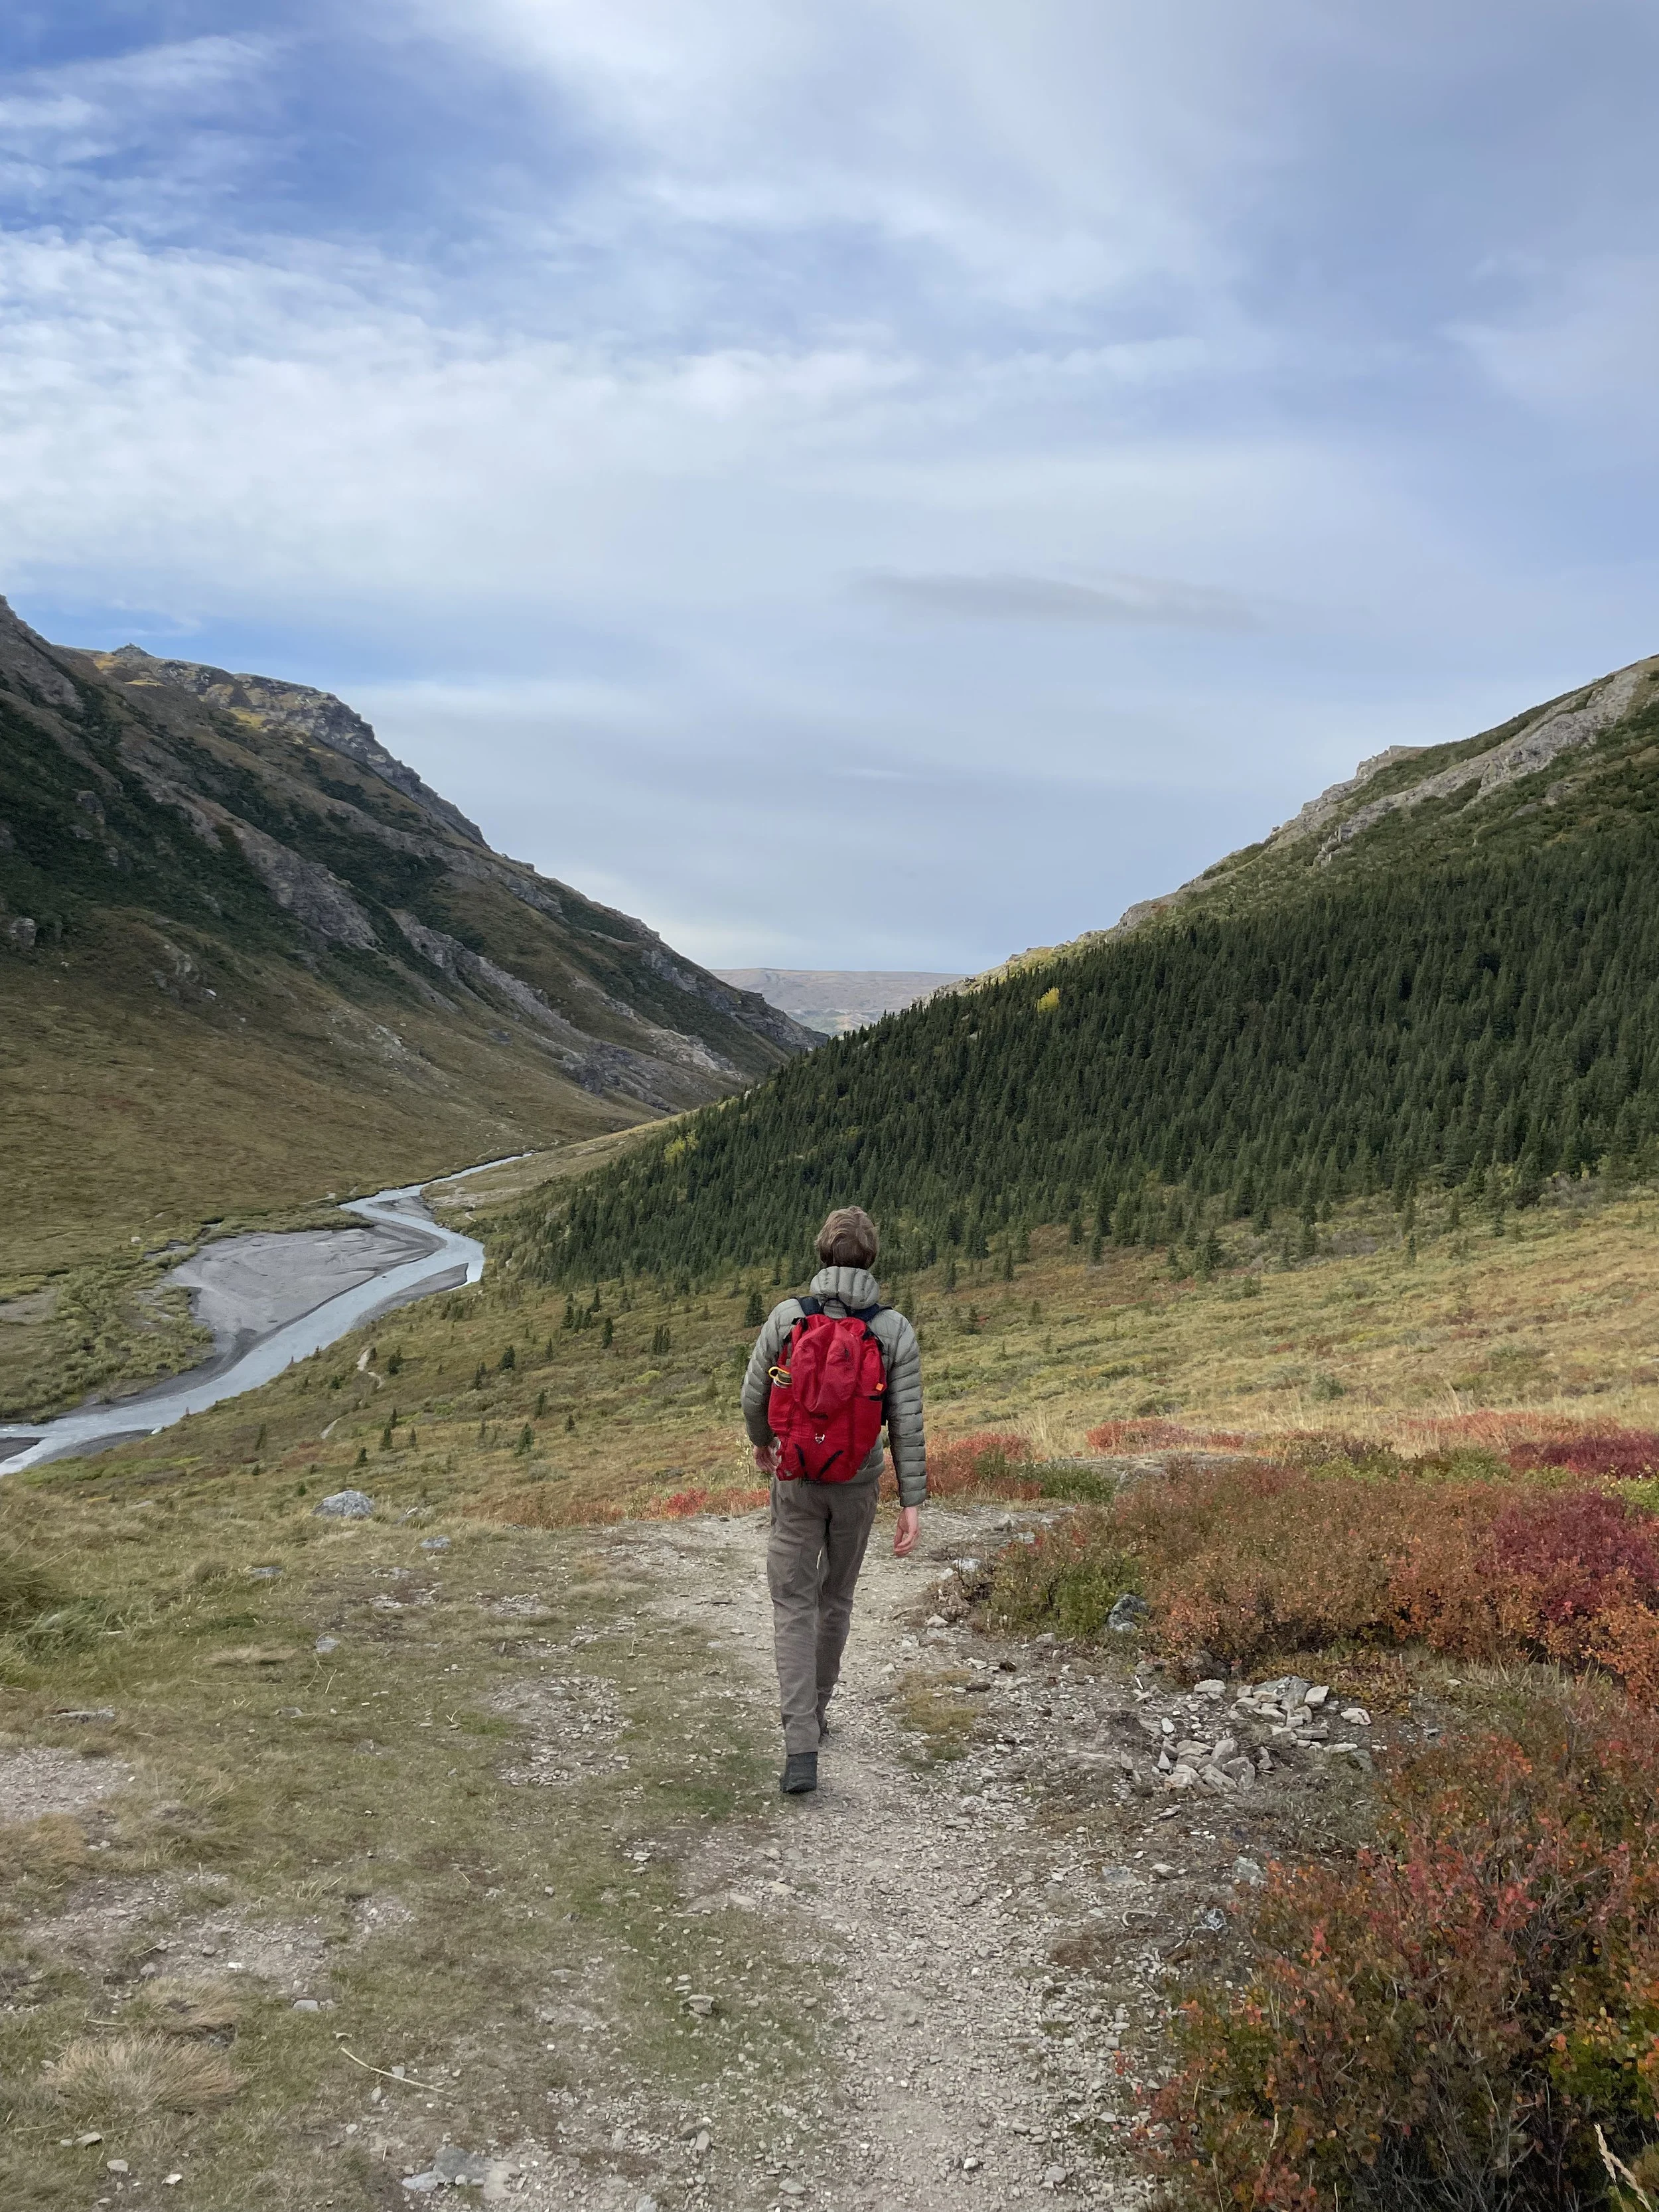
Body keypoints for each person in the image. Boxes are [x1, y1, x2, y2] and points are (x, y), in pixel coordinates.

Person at [741, 1205, 926, 1796]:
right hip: (857, 1484)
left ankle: (800, 1748)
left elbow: (753, 1394)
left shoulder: (788, 1316)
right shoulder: (893, 1329)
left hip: (796, 1481)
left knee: (792, 1605)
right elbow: (907, 1422)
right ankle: (817, 1714)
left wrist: (763, 1444)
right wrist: (912, 1500)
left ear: (823, 1253)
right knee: (835, 1597)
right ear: (871, 1258)